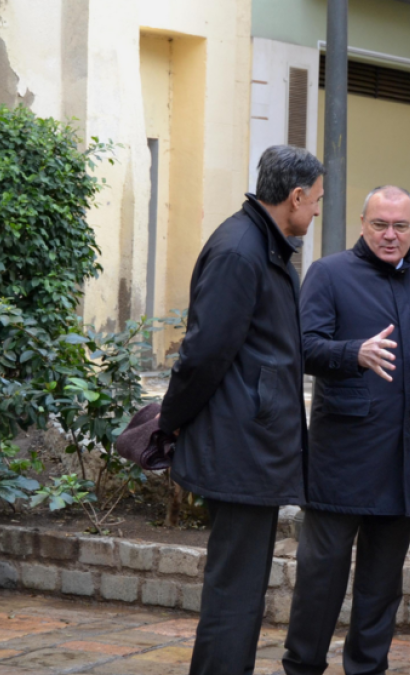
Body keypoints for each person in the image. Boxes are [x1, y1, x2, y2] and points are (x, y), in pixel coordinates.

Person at [157, 145, 324, 675]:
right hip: (241, 446)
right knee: (235, 591)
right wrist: (170, 420)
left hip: (252, 442)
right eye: (316, 200)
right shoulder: (240, 250)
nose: (317, 210)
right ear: (294, 197)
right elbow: (204, 353)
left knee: (242, 588)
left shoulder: (262, 243)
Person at [282, 185, 410, 675]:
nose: (390, 235)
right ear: (363, 224)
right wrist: (352, 352)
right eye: (380, 224)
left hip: (401, 455)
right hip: (341, 455)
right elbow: (304, 346)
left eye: (401, 226)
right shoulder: (329, 274)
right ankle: (302, 666)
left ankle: (367, 668)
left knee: (382, 584)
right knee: (322, 576)